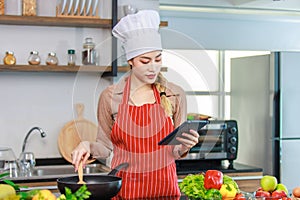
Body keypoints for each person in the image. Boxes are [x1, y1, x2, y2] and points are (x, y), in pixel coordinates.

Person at [71, 10, 200, 199]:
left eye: (158, 59)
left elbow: (176, 150)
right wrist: (87, 145)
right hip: (124, 191)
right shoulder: (110, 97)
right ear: (131, 61)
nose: (153, 67)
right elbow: (104, 147)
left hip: (165, 191)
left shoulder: (175, 94)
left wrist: (186, 146)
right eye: (145, 61)